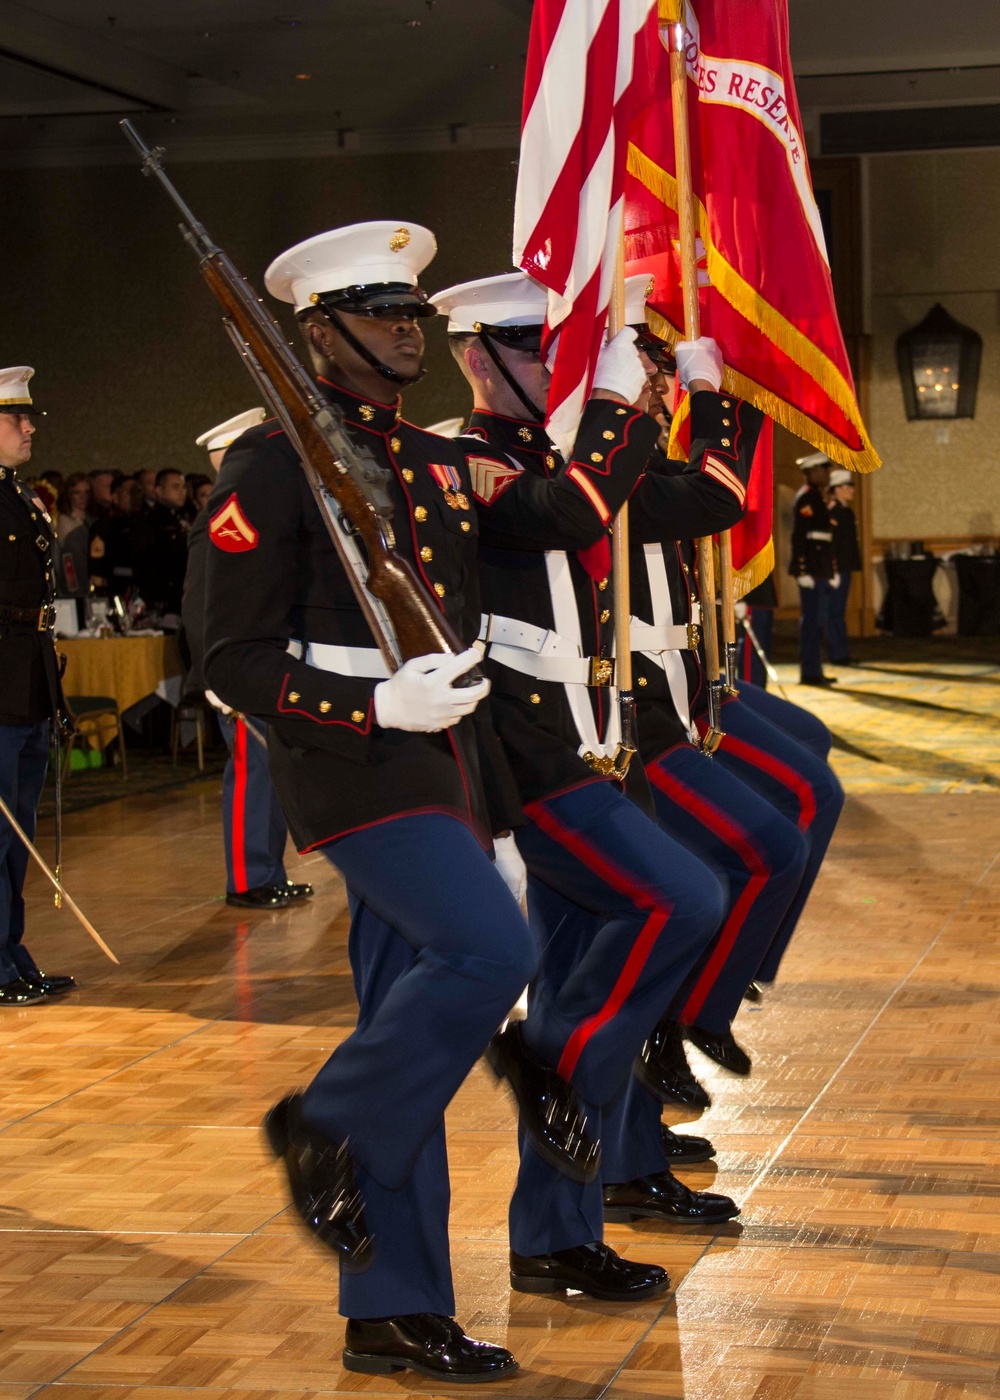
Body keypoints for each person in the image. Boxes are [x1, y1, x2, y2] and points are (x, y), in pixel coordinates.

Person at [203, 223, 546, 1382]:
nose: (407, 325)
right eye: (379, 310)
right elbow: (228, 654)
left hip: (443, 769)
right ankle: (324, 1122)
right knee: (485, 952)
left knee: (419, 1028)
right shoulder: (268, 463)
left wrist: (495, 821)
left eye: (410, 308)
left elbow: (457, 656)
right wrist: (366, 707)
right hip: (353, 765)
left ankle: (393, 1305)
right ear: (316, 333)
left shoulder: (436, 464)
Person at [433, 271, 743, 1287]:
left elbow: (705, 497)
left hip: (599, 739)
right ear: (477, 357)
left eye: (562, 352)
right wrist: (615, 405)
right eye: (534, 351)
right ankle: (570, 1075)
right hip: (531, 757)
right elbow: (564, 515)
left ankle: (554, 1233)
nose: (554, 370)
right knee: (682, 897)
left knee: (576, 981)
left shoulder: (579, 456)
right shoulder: (463, 461)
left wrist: (711, 403)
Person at [182, 409, 312, 909]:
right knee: (251, 773)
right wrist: (213, 673)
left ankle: (267, 870)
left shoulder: (255, 510)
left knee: (269, 769)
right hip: (236, 666)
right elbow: (199, 603)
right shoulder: (215, 518)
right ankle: (247, 877)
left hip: (268, 661)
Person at [0, 366, 76, 1004]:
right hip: (0, 681)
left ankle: (9, 948)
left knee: (18, 827)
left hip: (27, 678)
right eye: (15, 418)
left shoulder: (21, 496)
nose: (29, 427)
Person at [790, 450, 836, 687]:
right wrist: (802, 570)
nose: (827, 474)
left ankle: (815, 669)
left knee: (819, 622)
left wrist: (832, 570)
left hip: (821, 568)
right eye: (823, 470)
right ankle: (809, 671)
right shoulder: (806, 498)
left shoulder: (819, 497)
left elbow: (825, 539)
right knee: (811, 623)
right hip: (811, 569)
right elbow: (799, 538)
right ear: (812, 473)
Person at [132, 468, 190, 616]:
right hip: (161, 597)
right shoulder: (150, 521)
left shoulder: (182, 519)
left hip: (182, 593)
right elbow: (145, 561)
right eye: (175, 487)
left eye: (183, 487)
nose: (182, 491)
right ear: (158, 490)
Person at [826, 467, 862, 666]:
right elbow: (832, 543)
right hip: (837, 568)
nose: (852, 490)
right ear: (837, 489)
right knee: (835, 611)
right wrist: (834, 569)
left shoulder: (845, 510)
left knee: (839, 611)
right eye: (848, 486)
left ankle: (842, 652)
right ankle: (838, 654)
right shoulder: (833, 511)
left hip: (845, 566)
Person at [88, 472, 142, 600]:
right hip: (115, 591)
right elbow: (97, 566)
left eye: (139, 492)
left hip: (141, 592)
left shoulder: (146, 525)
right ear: (115, 497)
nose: (136, 497)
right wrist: (102, 595)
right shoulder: (104, 526)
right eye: (130, 493)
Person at [55, 472, 92, 596]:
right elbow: (69, 562)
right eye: (77, 492)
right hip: (74, 582)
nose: (83, 497)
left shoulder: (91, 520)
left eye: (86, 492)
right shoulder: (65, 521)